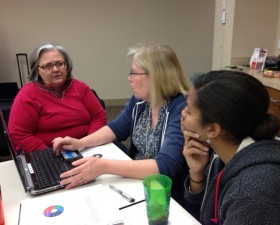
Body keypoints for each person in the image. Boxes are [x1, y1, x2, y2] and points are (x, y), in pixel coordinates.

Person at [52, 42, 190, 205]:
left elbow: (165, 167)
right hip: (137, 182)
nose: (129, 78)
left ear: (156, 76)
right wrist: (80, 142)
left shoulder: (181, 109)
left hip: (164, 196)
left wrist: (103, 167)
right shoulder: (141, 101)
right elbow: (116, 128)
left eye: (134, 73)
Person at [181, 70, 280, 224]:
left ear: (213, 130)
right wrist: (197, 174)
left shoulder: (253, 196)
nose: (182, 113)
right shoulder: (225, 151)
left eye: (189, 111)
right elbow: (205, 216)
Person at [8, 42, 107, 153]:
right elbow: (19, 134)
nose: (55, 69)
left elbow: (98, 115)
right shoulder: (27, 95)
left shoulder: (80, 87)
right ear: (37, 70)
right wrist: (49, 155)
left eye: (59, 63)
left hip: (87, 146)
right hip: (51, 153)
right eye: (48, 66)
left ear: (66, 65)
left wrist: (88, 143)